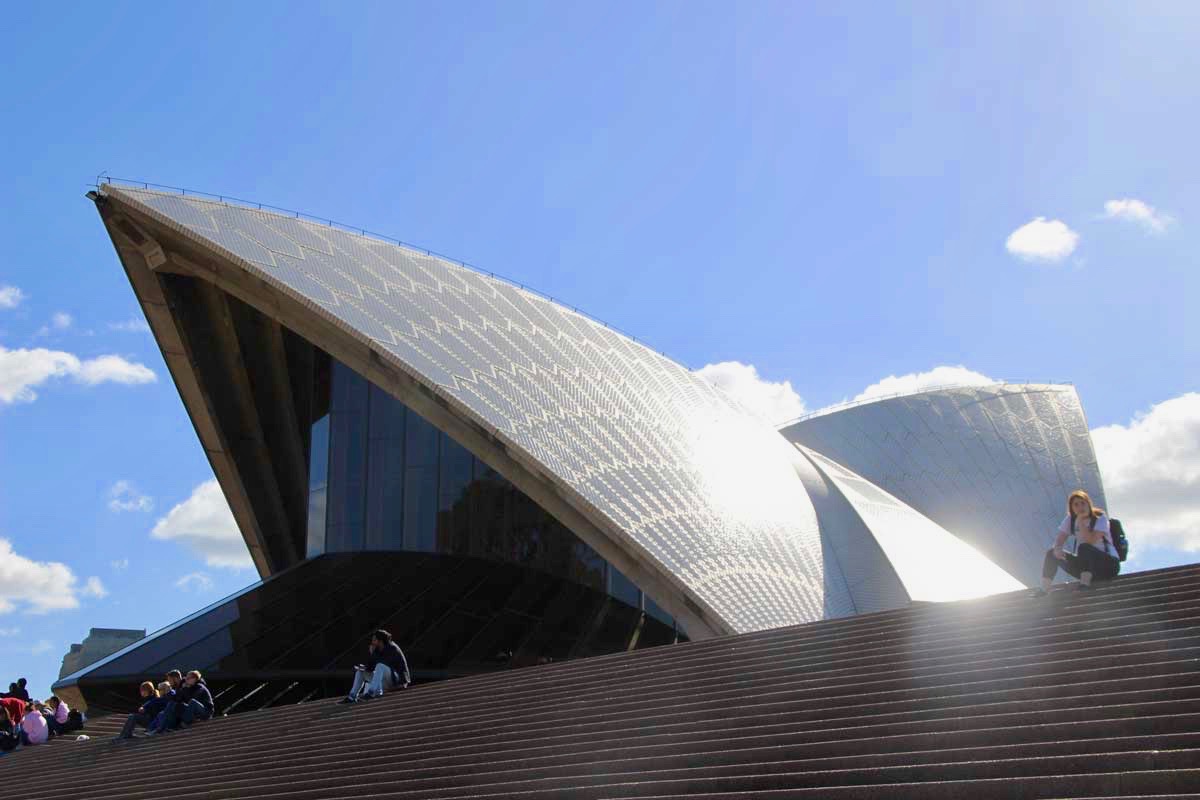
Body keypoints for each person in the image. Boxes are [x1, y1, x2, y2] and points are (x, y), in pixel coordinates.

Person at [1037, 489, 1120, 594]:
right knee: (1051, 553)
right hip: (1088, 567)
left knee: (1084, 547)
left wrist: (1080, 521)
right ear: (1072, 508)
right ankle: (1044, 589)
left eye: (1082, 503)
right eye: (1076, 505)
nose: (1080, 507)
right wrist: (1058, 549)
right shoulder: (1070, 520)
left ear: (1088, 504)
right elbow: (1059, 540)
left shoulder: (1100, 518)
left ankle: (1084, 585)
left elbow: (1090, 540)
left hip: (1108, 566)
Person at [341, 629, 411, 704]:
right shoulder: (377, 650)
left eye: (374, 640)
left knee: (380, 666)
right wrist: (363, 668)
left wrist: (373, 654)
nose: (372, 642)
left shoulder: (392, 648)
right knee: (360, 672)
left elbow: (384, 664)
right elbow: (371, 667)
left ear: (380, 641)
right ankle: (352, 697)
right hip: (385, 680)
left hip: (397, 681)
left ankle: (371, 693)